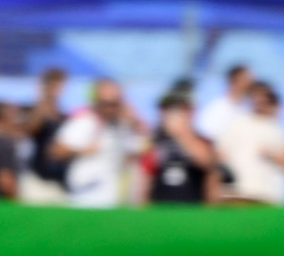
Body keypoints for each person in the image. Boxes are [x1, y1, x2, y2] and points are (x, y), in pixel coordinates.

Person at [51, 77, 146, 208]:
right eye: (105, 103)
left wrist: (135, 120)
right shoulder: (84, 122)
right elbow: (55, 151)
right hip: (85, 197)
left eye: (115, 103)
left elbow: (143, 147)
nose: (110, 108)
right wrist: (82, 150)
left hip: (113, 200)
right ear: (96, 102)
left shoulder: (123, 126)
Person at [218, 82, 284, 205]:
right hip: (238, 192)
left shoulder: (276, 129)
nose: (259, 100)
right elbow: (220, 153)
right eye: (256, 96)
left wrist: (271, 155)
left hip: (267, 194)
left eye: (264, 97)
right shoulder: (237, 124)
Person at [145, 93, 218, 204]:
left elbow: (208, 163)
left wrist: (181, 133)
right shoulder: (155, 142)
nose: (171, 115)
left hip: (193, 211)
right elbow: (146, 177)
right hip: (160, 211)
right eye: (167, 110)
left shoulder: (202, 140)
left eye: (177, 110)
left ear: (189, 112)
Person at [21, 67, 69, 203]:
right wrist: (43, 100)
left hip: (58, 179)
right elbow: (30, 130)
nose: (57, 90)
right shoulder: (35, 109)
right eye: (54, 85)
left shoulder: (62, 114)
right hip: (37, 177)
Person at [197, 64, 252, 142]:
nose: (250, 84)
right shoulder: (218, 108)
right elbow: (207, 136)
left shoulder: (248, 109)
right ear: (235, 80)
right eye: (246, 80)